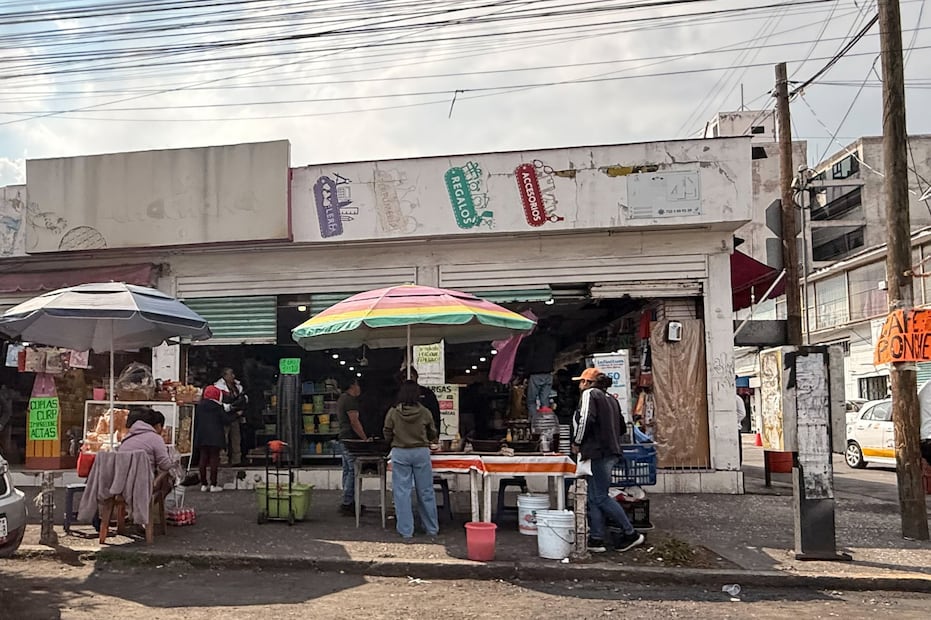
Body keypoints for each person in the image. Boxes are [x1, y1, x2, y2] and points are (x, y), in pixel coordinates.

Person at [572, 367, 644, 553]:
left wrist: (577, 441)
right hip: (610, 451)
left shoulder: (590, 394)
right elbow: (621, 426)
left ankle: (630, 533)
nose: (580, 385)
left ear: (588, 383)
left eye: (582, 381)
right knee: (595, 497)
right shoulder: (611, 399)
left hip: (598, 452)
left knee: (600, 497)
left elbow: (585, 419)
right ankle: (596, 539)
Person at [383, 380, 439, 541]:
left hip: (400, 452)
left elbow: (387, 431)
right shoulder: (425, 412)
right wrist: (429, 439)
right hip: (421, 452)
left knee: (402, 493)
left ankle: (406, 530)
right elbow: (432, 432)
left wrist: (392, 440)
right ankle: (431, 528)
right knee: (426, 491)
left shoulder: (393, 412)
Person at [518, 318, 560, 430]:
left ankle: (535, 423)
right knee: (544, 400)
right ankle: (546, 424)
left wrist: (524, 375)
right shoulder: (552, 340)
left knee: (531, 400)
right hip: (548, 373)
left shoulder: (534, 340)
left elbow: (530, 358)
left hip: (536, 373)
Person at [194, 385, 237, 492]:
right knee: (214, 459)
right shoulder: (217, 407)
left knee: (203, 459)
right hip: (215, 436)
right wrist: (237, 415)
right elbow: (226, 420)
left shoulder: (199, 406)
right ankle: (213, 484)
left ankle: (203, 484)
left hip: (202, 436)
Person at [337, 377, 367, 516]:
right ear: (352, 385)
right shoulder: (349, 400)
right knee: (353, 470)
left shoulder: (341, 398)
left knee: (347, 470)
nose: (359, 388)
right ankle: (348, 503)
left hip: (343, 438)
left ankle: (347, 500)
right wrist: (364, 438)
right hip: (350, 439)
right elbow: (354, 422)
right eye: (358, 385)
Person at [214, 368, 247, 466]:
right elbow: (218, 403)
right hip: (223, 416)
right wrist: (230, 407)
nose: (233, 376)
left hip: (235, 416)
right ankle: (223, 460)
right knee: (224, 439)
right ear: (224, 375)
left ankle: (236, 460)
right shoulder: (218, 388)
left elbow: (242, 399)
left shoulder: (237, 386)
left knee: (236, 439)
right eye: (230, 374)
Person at [401, 367, 441, 435]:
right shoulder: (398, 393)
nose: (408, 379)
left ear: (416, 377)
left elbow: (435, 414)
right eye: (404, 377)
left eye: (411, 376)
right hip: (403, 435)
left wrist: (436, 434)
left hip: (422, 435)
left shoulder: (426, 393)